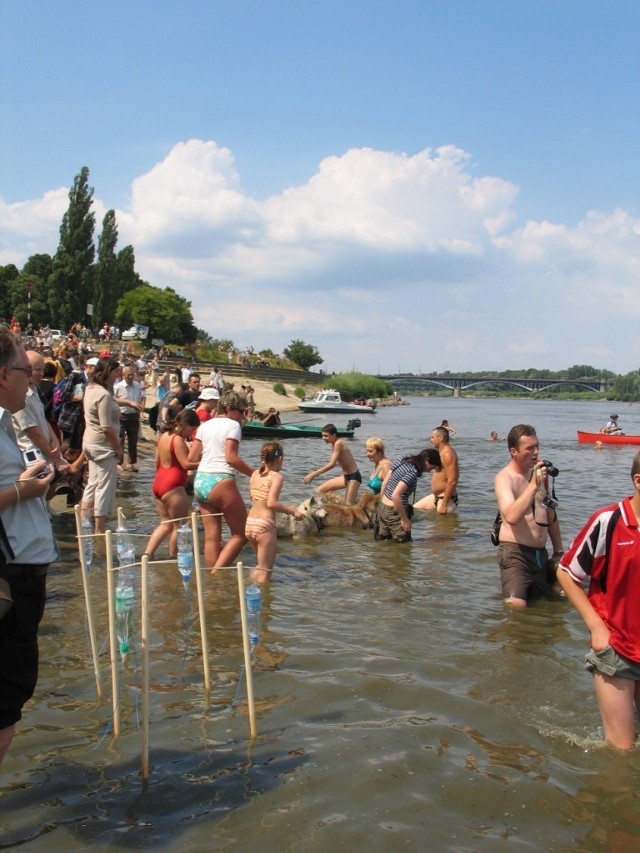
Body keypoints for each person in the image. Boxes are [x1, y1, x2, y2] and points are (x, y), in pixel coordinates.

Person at [0, 327, 57, 764]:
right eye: (25, 372)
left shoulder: (5, 422)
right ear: (4, 375)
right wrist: (24, 491)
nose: (31, 382)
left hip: (20, 573)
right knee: (3, 706)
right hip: (8, 580)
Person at [557, 452, 640, 750]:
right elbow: (567, 573)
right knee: (622, 751)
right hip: (617, 650)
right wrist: (596, 627)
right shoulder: (610, 521)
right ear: (638, 481)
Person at [494, 423, 564, 609]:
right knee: (516, 606)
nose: (535, 452)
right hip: (516, 553)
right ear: (514, 451)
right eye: (529, 448)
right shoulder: (505, 478)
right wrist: (533, 485)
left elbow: (550, 514)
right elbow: (511, 516)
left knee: (553, 601)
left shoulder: (539, 474)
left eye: (537, 447)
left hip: (540, 554)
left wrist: (558, 551)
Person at [187, 391, 254, 571]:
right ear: (230, 409)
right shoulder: (233, 425)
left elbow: (191, 458)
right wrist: (253, 473)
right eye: (241, 412)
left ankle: (212, 582)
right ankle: (217, 573)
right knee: (241, 534)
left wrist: (209, 461)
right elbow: (231, 458)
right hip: (221, 480)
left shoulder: (204, 426)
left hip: (201, 481)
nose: (243, 416)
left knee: (211, 536)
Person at [245, 442, 305, 583]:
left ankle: (248, 589)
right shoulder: (276, 477)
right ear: (280, 459)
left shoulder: (254, 474)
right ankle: (264, 603)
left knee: (260, 566)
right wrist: (293, 511)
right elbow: (271, 503)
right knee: (265, 573)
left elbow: (252, 497)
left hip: (250, 524)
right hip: (264, 525)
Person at [145, 409, 200, 560]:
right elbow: (186, 464)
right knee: (180, 526)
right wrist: (207, 462)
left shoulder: (163, 436)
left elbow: (157, 462)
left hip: (158, 483)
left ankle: (147, 554)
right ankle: (173, 558)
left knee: (165, 524)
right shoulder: (177, 440)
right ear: (185, 425)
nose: (191, 434)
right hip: (173, 486)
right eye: (192, 429)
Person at [80, 357, 124, 534]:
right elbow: (106, 426)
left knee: (92, 483)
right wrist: (118, 448)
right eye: (115, 372)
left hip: (89, 442)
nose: (117, 376)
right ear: (106, 372)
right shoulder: (104, 395)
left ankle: (83, 523)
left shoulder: (90, 388)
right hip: (103, 446)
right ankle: (99, 528)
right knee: (105, 488)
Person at [376, 449, 441, 542]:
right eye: (431, 467)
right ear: (426, 460)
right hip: (395, 512)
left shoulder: (401, 461)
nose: (429, 471)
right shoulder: (411, 473)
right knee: (403, 546)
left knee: (384, 542)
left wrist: (382, 504)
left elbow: (384, 484)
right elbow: (396, 496)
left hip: (383, 507)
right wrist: (404, 520)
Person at [304, 424, 362, 504]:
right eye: (322, 436)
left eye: (326, 436)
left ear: (333, 435)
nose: (323, 438)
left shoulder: (338, 443)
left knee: (348, 507)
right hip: (345, 477)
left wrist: (314, 474)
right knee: (319, 491)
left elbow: (332, 464)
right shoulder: (334, 444)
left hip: (354, 477)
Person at [415, 426, 459, 514]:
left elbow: (453, 480)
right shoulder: (440, 453)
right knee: (414, 510)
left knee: (441, 526)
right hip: (436, 496)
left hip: (446, 498)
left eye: (432, 437)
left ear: (441, 438)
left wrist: (444, 504)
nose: (430, 440)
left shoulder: (448, 454)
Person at [113, 365, 144, 471]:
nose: (130, 377)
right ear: (123, 375)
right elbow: (113, 400)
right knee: (120, 439)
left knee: (133, 440)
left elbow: (139, 397)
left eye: (132, 375)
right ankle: (118, 462)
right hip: (121, 415)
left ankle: (131, 463)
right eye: (128, 375)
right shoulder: (118, 386)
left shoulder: (137, 385)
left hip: (134, 415)